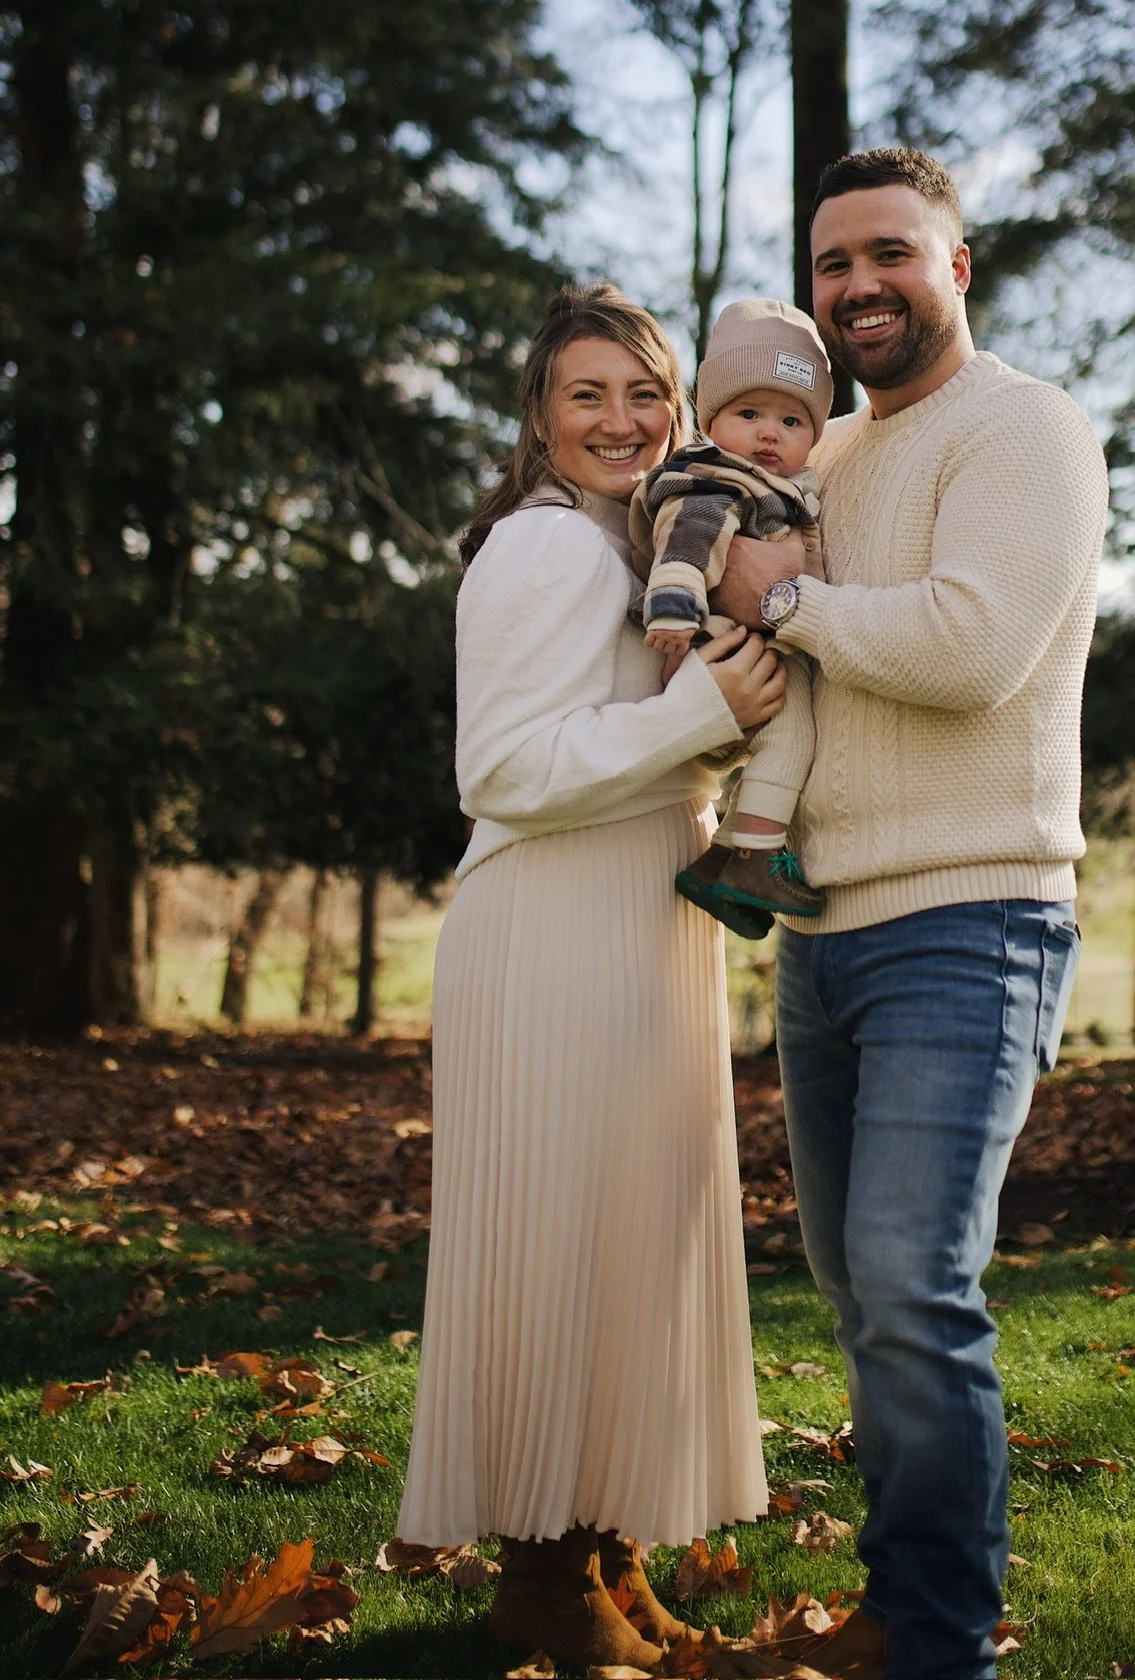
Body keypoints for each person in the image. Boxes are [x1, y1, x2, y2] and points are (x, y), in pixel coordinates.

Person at [714, 149, 1109, 1680]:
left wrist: (781, 599)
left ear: (957, 266)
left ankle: (941, 1648)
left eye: (890, 252)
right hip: (821, 933)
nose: (859, 284)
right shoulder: (817, 456)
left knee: (910, 1282)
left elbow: (968, 650)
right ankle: (898, 1613)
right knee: (859, 1291)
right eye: (833, 263)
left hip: (973, 919)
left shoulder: (1026, 430)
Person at [397, 283, 778, 1674]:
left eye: (644, 394)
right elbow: (499, 771)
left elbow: (633, 733)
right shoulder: (542, 546)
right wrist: (699, 714)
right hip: (551, 929)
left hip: (637, 919)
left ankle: (610, 1553)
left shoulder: (648, 547)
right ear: (539, 416)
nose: (620, 421)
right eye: (586, 395)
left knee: (628, 1241)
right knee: (562, 1241)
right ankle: (544, 1576)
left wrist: (721, 722)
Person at [630, 298, 832, 936]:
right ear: (710, 421)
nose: (770, 433)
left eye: (791, 420)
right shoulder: (715, 480)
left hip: (748, 647)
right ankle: (755, 857)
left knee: (784, 738)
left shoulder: (783, 489)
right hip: (717, 646)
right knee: (792, 736)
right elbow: (689, 543)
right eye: (749, 414)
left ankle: (724, 856)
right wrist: (674, 609)